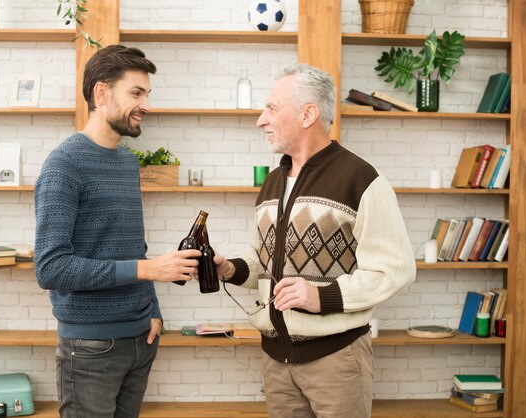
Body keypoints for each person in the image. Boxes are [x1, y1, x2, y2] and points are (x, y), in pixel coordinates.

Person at [214, 64, 416, 418]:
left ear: (308, 114)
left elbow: (395, 270)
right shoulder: (272, 182)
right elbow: (264, 261)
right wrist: (230, 269)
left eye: (272, 109)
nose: (261, 120)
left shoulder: (362, 179)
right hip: (276, 362)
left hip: (337, 362)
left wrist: (321, 296)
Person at [34, 44, 200, 418]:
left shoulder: (126, 161)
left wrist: (153, 310)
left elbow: (133, 246)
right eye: (136, 93)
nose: (147, 105)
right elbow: (51, 268)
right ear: (102, 93)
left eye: (148, 94)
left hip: (141, 338)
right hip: (90, 346)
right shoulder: (64, 165)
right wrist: (147, 270)